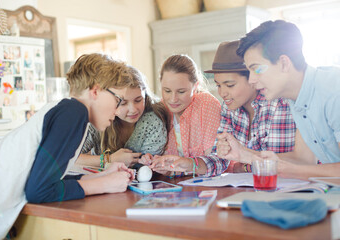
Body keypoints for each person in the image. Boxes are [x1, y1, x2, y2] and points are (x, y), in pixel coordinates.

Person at [0, 53, 134, 239]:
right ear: (95, 91)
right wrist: (104, 184)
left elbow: (47, 179)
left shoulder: (69, 111)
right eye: (118, 100)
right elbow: (39, 191)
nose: (117, 111)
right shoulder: (74, 113)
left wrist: (103, 175)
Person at [150, 41, 309, 177]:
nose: (222, 93)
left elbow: (275, 165)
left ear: (252, 78)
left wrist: (244, 164)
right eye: (219, 85)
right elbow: (221, 159)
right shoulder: (229, 108)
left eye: (230, 85)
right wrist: (189, 163)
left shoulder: (278, 102)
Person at [234, 20, 340, 179]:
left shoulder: (333, 91)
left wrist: (289, 170)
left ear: (284, 63)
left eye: (256, 69)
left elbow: (297, 167)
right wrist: (244, 155)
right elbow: (303, 159)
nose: (251, 80)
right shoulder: (297, 98)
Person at [142, 54, 221, 175]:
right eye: (167, 91)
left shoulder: (207, 104)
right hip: (178, 187)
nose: (173, 99)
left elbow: (215, 160)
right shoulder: (160, 110)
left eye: (181, 91)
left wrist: (187, 165)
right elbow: (171, 169)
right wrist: (156, 163)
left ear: (195, 87)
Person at [77, 64, 169, 167]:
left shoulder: (152, 122)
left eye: (138, 100)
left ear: (145, 96)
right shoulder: (97, 119)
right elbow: (69, 158)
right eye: (123, 103)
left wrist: (148, 161)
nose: (133, 110)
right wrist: (110, 159)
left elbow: (147, 170)